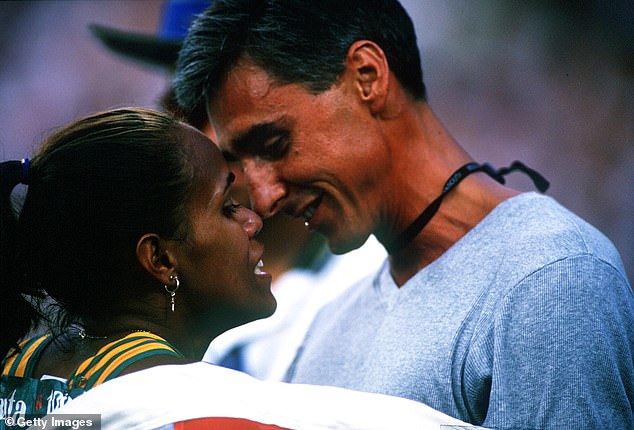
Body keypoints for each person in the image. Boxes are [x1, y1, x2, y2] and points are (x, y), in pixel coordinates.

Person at [173, 1, 634, 428]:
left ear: (368, 76)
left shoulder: (550, 279)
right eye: (240, 166)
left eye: (274, 145)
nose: (266, 200)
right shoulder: (325, 327)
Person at [0, 107, 469, 429]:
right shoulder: (192, 405)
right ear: (161, 259)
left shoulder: (24, 373)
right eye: (227, 206)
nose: (253, 217)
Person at [90, 0, 386, 381]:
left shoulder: (375, 280)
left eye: (204, 110)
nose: (184, 139)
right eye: (172, 112)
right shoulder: (156, 294)